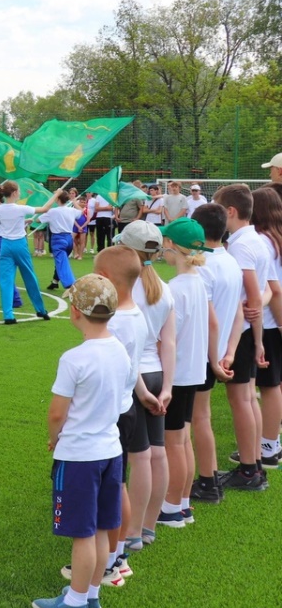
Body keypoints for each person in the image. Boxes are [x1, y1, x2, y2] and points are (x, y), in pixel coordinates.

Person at [31, 274, 127, 608]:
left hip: (79, 455)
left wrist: (55, 440)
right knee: (101, 528)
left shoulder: (74, 358)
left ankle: (75, 602)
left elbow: (57, 412)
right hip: (110, 451)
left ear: (75, 311)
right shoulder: (120, 349)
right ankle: (91, 593)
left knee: (82, 533)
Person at [157, 216, 227, 518]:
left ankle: (173, 507)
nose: (161, 247)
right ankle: (182, 503)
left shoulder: (175, 289)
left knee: (175, 442)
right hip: (194, 371)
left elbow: (167, 338)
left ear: (172, 246)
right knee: (182, 439)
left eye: (164, 242)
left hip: (180, 373)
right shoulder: (198, 282)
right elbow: (212, 324)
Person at [93, 246, 151, 584]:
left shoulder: (115, 323)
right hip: (124, 406)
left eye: (97, 274)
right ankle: (117, 556)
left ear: (110, 280)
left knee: (111, 489)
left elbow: (106, 370)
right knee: (118, 485)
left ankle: (110, 561)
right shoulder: (136, 314)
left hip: (110, 411)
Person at [212, 184, 273, 490]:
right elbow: (263, 292)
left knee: (241, 399)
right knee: (248, 398)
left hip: (243, 334)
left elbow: (251, 297)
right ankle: (256, 464)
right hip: (249, 333)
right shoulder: (255, 240)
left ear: (230, 212)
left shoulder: (240, 246)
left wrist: (256, 338)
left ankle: (249, 468)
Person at [119, 221, 175, 551]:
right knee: (158, 452)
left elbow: (130, 346)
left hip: (137, 377)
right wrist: (166, 387)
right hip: (157, 376)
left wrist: (142, 390)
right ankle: (148, 526)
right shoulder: (163, 288)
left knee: (139, 458)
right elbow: (168, 343)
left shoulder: (128, 289)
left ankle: (133, 533)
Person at [189, 203, 243, 504]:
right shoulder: (230, 261)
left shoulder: (204, 266)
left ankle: (208, 482)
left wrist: (214, 359)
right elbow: (237, 312)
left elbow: (210, 320)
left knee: (196, 419)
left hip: (203, 355)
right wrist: (229, 352)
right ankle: (207, 478)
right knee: (201, 417)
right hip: (218, 352)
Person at [245, 187, 282, 470]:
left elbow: (273, 290)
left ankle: (269, 446)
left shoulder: (261, 241)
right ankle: (271, 442)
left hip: (269, 322)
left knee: (269, 386)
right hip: (272, 319)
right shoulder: (275, 238)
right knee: (273, 384)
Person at [0, 180, 53, 324]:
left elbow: (8, 219)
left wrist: (24, 222)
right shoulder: (21, 209)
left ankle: (8, 315)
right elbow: (45, 209)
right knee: (29, 277)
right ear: (14, 193)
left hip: (5, 245)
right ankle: (40, 309)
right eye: (19, 191)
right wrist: (56, 195)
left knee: (6, 281)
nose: (20, 193)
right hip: (19, 245)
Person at [42, 190, 81, 292]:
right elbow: (81, 212)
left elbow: (39, 219)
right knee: (61, 260)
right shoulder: (71, 210)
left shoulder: (53, 211)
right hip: (69, 239)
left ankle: (70, 285)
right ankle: (55, 282)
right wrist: (74, 202)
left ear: (57, 199)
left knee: (61, 262)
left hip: (58, 239)